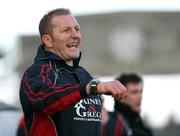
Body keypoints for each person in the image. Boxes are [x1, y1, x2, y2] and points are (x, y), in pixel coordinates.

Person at [19, 8, 126, 136]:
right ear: (48, 40)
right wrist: (90, 88)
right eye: (66, 30)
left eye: (77, 29)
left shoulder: (85, 75)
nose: (75, 35)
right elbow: (45, 99)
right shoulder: (36, 72)